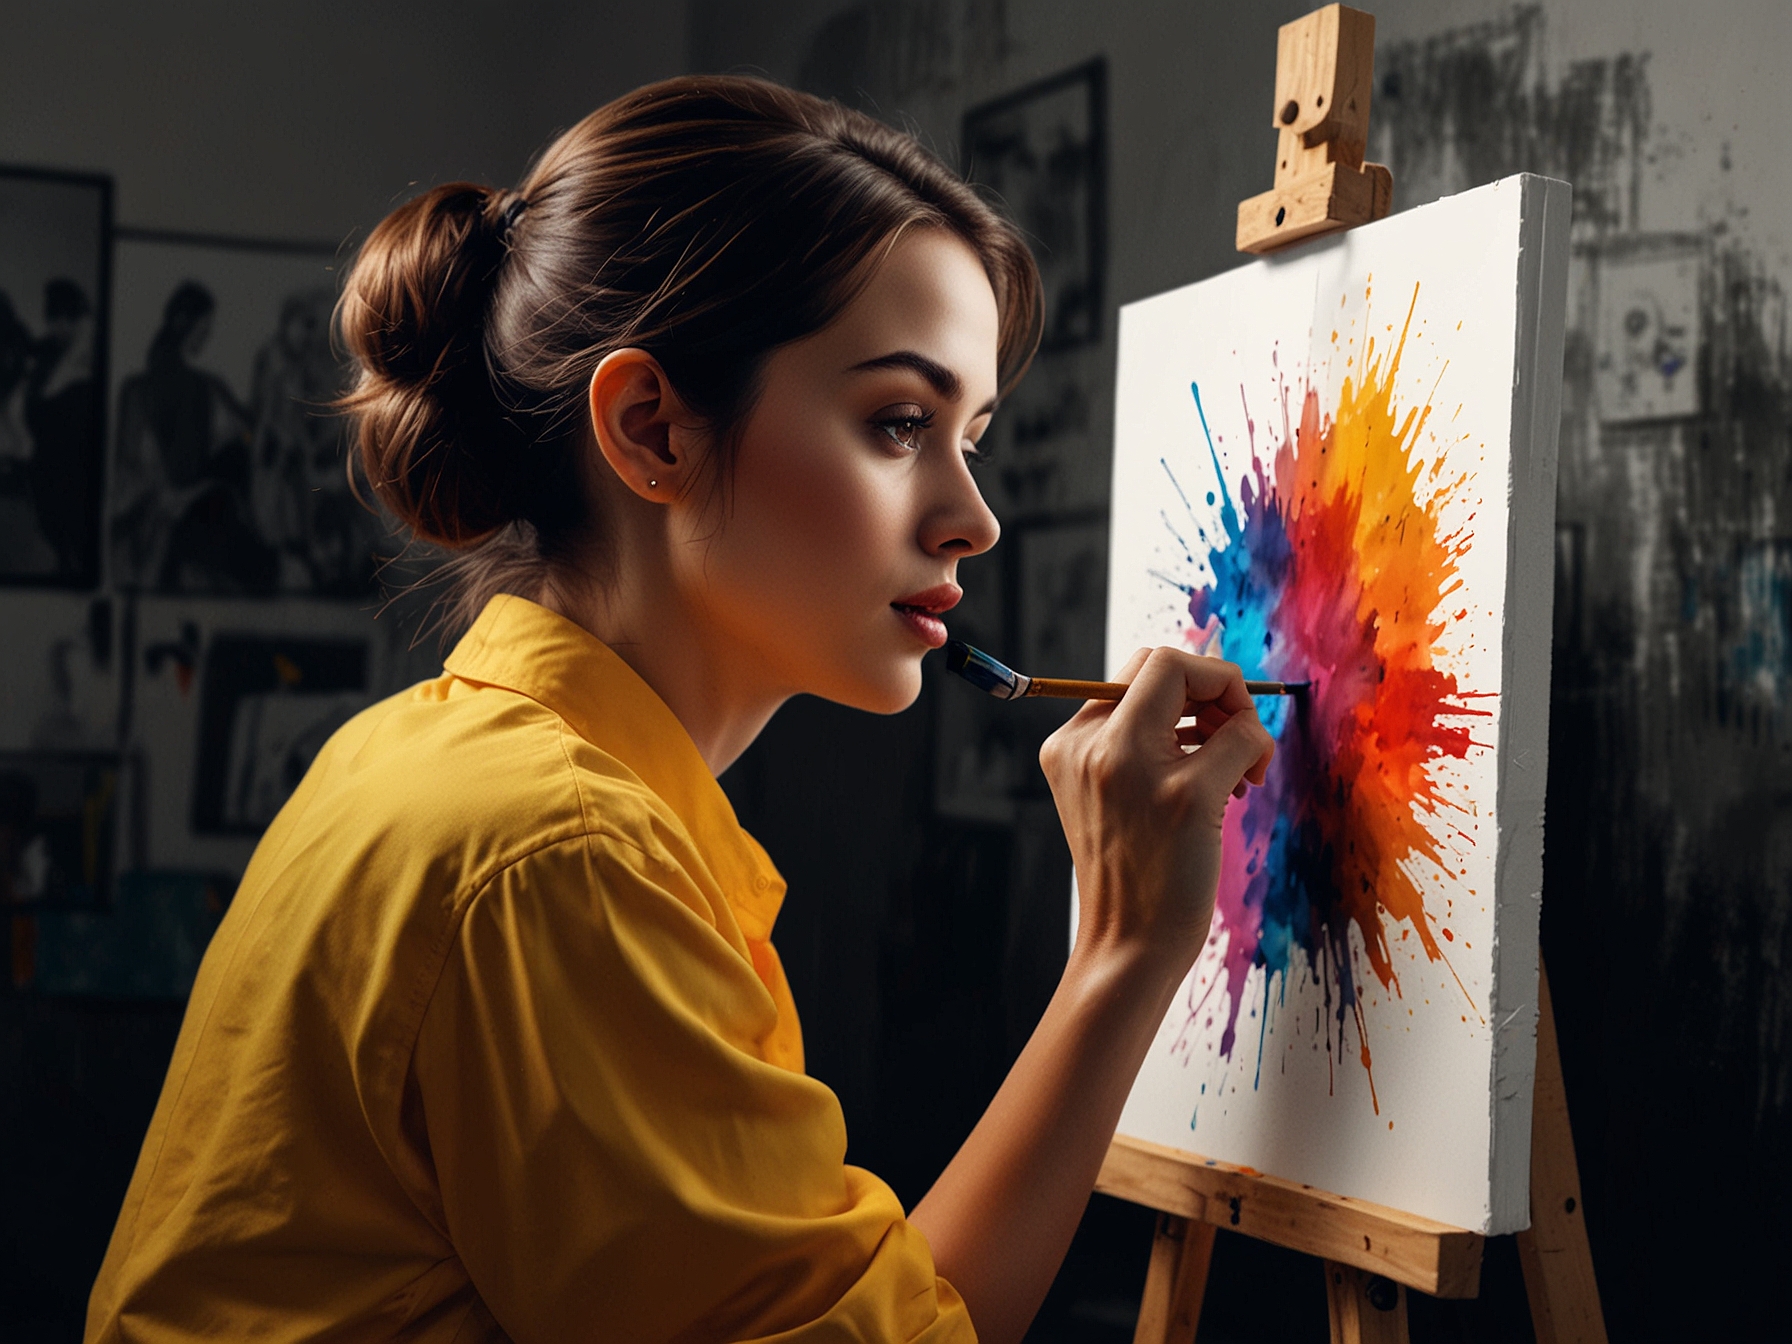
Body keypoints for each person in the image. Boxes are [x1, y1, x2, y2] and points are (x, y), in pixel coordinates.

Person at [86, 76, 1273, 1343]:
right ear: (650, 430)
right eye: (896, 423)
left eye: (968, 434)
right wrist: (1124, 951)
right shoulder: (560, 855)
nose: (971, 516)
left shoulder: (430, 757)